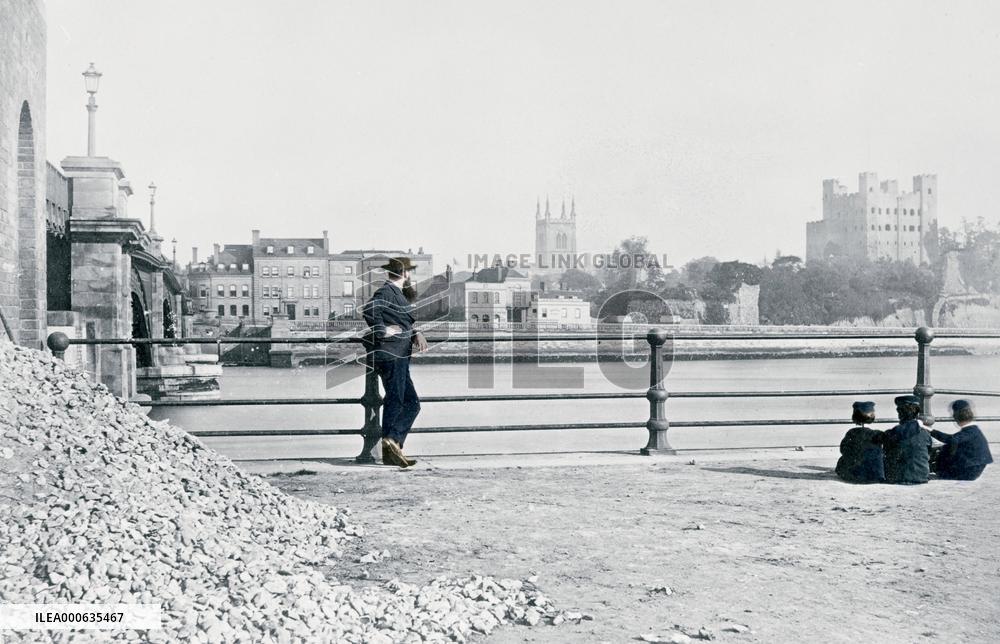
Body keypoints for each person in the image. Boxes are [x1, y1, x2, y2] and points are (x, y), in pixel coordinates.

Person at [362, 257, 428, 468]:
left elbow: (402, 320)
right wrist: (384, 330)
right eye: (410, 273)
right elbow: (369, 309)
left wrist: (416, 332)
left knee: (406, 402)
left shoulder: (396, 294)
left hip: (397, 355)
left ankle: (392, 448)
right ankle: (391, 440)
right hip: (391, 355)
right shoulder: (387, 292)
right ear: (405, 274)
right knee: (403, 401)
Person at [929, 400, 993, 481]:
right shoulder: (974, 430)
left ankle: (937, 471)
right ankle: (936, 469)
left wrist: (931, 431)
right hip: (974, 468)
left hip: (968, 472)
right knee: (947, 447)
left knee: (946, 447)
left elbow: (952, 439)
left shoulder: (970, 431)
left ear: (956, 416)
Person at [880, 394, 931, 485]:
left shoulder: (893, 432)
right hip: (921, 477)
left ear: (900, 413)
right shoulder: (925, 433)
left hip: (897, 478)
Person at [835, 401, 885, 483]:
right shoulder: (877, 433)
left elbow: (843, 449)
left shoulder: (851, 433)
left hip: (853, 474)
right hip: (874, 475)